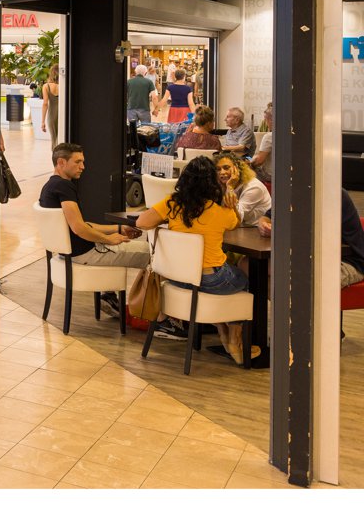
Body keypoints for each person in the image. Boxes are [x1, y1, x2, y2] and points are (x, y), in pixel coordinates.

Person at [136, 157, 248, 363]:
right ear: (212, 183)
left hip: (177, 278)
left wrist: (166, 221)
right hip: (212, 280)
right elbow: (235, 224)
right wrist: (231, 202)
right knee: (244, 278)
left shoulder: (173, 203)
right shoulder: (219, 210)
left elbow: (141, 222)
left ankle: (222, 330)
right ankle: (234, 338)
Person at [40, 142, 150, 316]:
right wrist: (108, 239)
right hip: (86, 253)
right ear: (61, 162)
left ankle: (110, 296)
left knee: (148, 251)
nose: (83, 167)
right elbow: (79, 228)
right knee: (154, 255)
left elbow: (83, 224)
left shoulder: (49, 187)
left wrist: (118, 229)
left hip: (74, 252)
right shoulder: (64, 187)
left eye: (83, 162)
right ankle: (163, 317)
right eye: (77, 162)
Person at [214, 152, 270, 227]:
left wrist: (230, 187)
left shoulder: (254, 187)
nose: (222, 172)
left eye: (226, 168)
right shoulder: (222, 185)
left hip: (255, 229)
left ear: (237, 169)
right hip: (240, 228)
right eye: (218, 169)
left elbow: (236, 217)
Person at [252, 103, 275, 185]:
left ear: (271, 120)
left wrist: (249, 162)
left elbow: (259, 161)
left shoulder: (269, 137)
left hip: (271, 175)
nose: (265, 122)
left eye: (266, 120)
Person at [40, 65, 60, 147]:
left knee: (54, 139)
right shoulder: (64, 85)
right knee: (62, 139)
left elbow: (45, 103)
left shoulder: (46, 86)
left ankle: (55, 154)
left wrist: (42, 121)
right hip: (62, 115)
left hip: (52, 116)